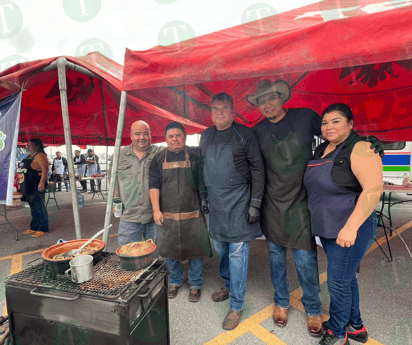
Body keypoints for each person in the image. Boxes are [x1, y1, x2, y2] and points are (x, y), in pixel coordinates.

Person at [249, 80, 384, 336]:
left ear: (282, 98)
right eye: (261, 101)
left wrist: (364, 142)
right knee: (276, 258)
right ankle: (281, 302)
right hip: (272, 204)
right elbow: (251, 163)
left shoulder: (305, 117)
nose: (267, 105)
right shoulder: (257, 130)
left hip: (301, 204)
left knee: (305, 260)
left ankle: (313, 309)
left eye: (272, 98)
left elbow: (336, 134)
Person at [303, 103, 382, 345]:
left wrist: (351, 227)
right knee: (346, 279)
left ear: (350, 124)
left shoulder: (361, 148)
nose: (329, 127)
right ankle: (356, 326)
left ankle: (337, 331)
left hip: (349, 228)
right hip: (328, 227)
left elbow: (373, 189)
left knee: (337, 282)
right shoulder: (322, 150)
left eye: (336, 121)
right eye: (325, 123)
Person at [199, 93, 265, 330]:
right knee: (221, 248)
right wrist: (203, 196)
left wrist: (255, 203)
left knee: (238, 254)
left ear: (233, 110)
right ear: (211, 111)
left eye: (224, 108)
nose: (219, 113)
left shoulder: (244, 133)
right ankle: (227, 284)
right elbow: (202, 166)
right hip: (216, 203)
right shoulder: (206, 135)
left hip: (239, 201)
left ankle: (237, 305)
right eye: (215, 109)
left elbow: (258, 169)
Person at [149, 122, 213, 302]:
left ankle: (195, 284)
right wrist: (156, 210)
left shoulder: (195, 155)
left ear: (184, 137)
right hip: (168, 215)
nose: (175, 139)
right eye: (171, 136)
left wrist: (204, 201)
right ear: (165, 138)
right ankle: (175, 282)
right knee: (171, 250)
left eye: (178, 135)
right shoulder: (158, 158)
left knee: (196, 249)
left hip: (193, 213)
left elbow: (204, 180)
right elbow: (153, 185)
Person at [111, 120, 164, 246]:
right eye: (137, 133)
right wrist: (115, 198)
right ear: (130, 136)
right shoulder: (118, 155)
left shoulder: (160, 153)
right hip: (129, 216)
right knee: (128, 255)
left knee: (154, 256)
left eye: (146, 133)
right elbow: (113, 180)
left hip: (154, 216)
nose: (142, 137)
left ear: (151, 135)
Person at [18, 139, 49, 238]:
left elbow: (45, 170)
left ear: (37, 146)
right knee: (33, 208)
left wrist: (41, 183)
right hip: (28, 185)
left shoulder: (40, 155)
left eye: (30, 145)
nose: (28, 147)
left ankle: (43, 228)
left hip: (37, 184)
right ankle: (34, 227)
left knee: (40, 207)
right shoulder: (29, 156)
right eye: (27, 145)